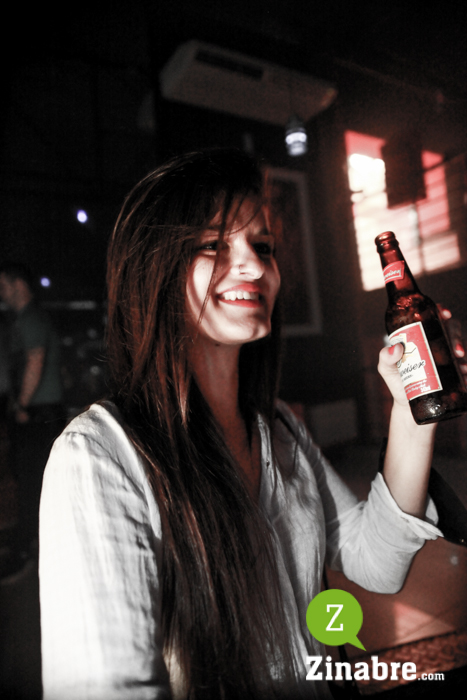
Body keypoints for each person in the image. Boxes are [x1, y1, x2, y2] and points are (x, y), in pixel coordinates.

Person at [39, 148, 445, 700]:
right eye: (214, 245)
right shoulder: (99, 458)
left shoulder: (280, 430)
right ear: (155, 268)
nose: (254, 267)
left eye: (264, 247)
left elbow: (376, 563)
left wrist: (411, 408)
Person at [0, 262, 65, 566]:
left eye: (3, 285)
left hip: (38, 413)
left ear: (19, 285)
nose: (1, 292)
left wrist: (22, 406)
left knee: (31, 481)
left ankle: (27, 549)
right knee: (34, 479)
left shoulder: (30, 319)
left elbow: (35, 361)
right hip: (41, 411)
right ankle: (32, 543)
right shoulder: (28, 319)